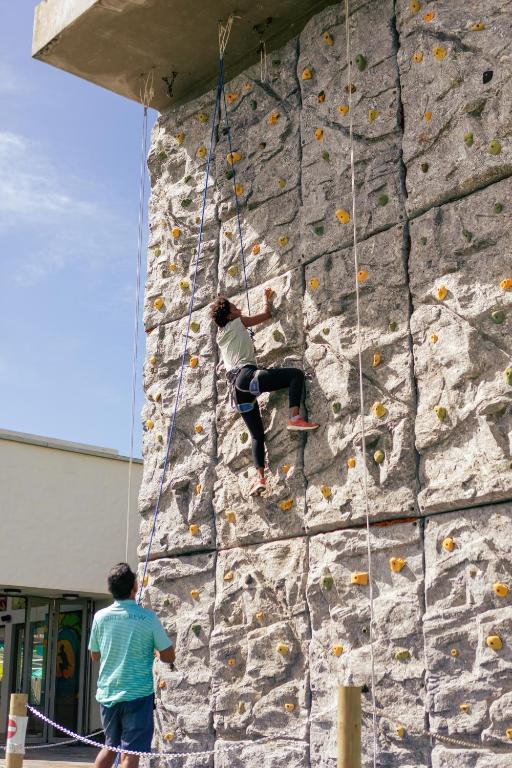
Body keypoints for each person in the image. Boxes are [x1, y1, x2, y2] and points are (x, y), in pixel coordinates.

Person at [210, 289, 319, 496]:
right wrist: (267, 300)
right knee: (295, 375)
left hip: (237, 392)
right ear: (230, 315)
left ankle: (259, 479)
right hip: (247, 377)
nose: (238, 308)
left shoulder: (221, 336)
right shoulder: (238, 322)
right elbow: (266, 315)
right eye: (234, 307)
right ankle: (294, 417)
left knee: (257, 436)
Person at [89, 563, 175, 768]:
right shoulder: (148, 618)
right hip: (138, 696)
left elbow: (94, 655)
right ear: (134, 589)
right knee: (130, 755)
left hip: (108, 694)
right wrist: (153, 652)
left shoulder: (99, 617)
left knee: (110, 747)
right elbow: (169, 656)